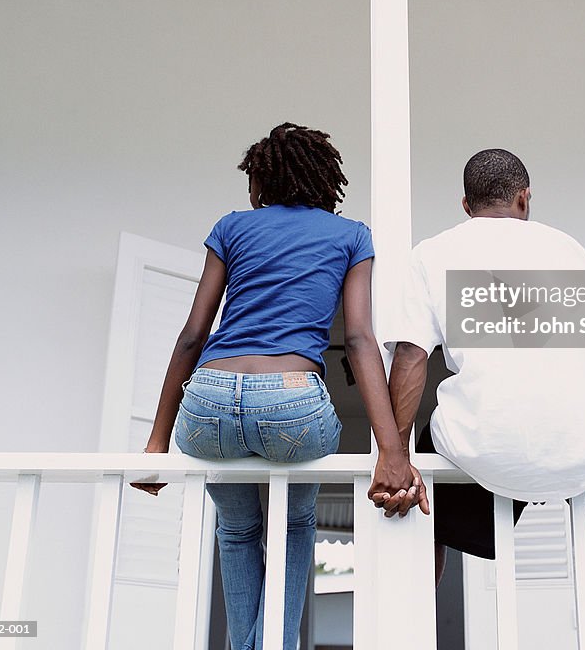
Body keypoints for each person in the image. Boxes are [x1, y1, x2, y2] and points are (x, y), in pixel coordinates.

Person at [133, 123, 417, 650]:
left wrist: (156, 446)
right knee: (291, 527)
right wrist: (392, 451)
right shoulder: (351, 235)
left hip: (209, 401)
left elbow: (194, 335)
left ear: (261, 182)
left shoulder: (232, 227)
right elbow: (358, 339)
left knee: (237, 531)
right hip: (291, 402)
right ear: (323, 182)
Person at [378, 148, 585, 650]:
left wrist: (395, 456)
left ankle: (412, 635)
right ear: (525, 198)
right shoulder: (569, 249)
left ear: (467, 204)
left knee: (422, 488)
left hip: (487, 447)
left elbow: (410, 359)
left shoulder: (432, 252)